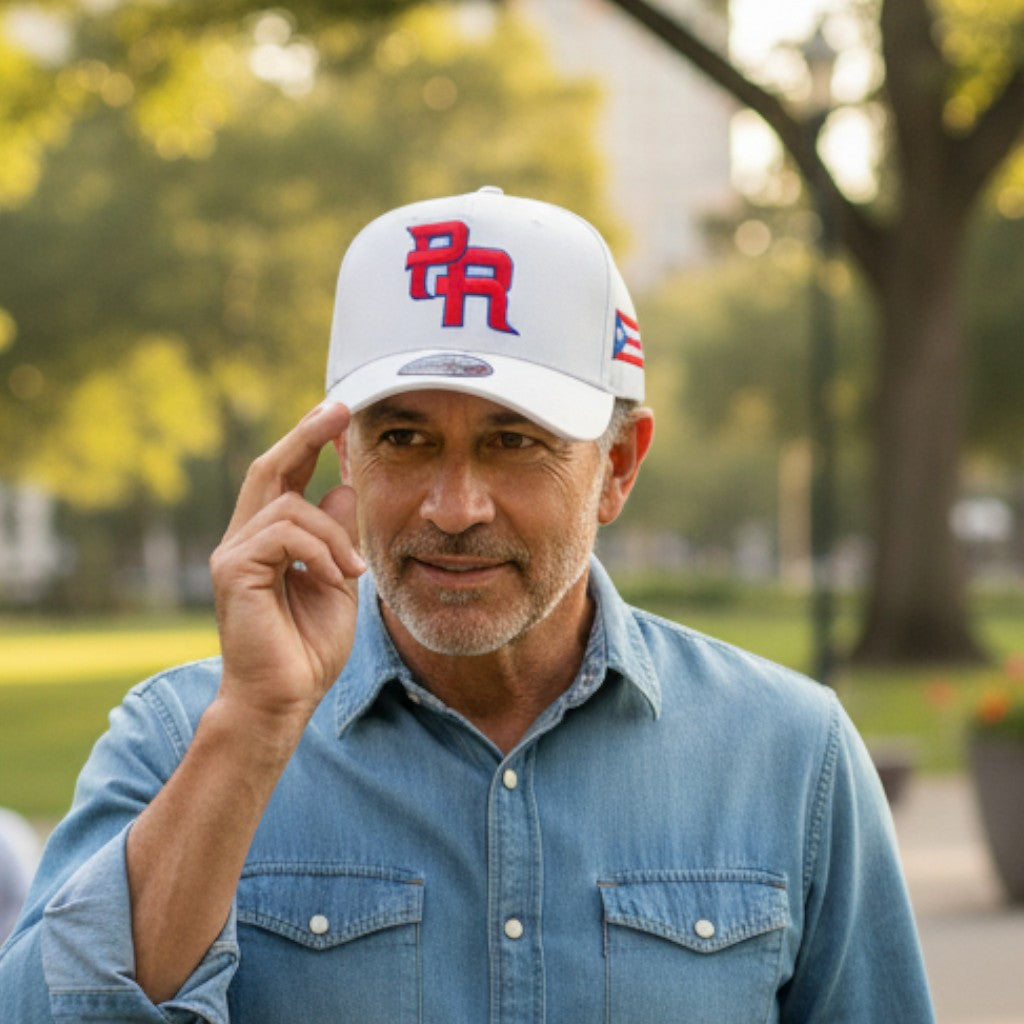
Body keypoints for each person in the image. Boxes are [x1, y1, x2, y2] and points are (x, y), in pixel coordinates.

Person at [0, 187, 935, 1022]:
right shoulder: (179, 741)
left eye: (514, 442)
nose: (454, 508)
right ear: (344, 457)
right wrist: (251, 730)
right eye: (404, 437)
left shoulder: (791, 754)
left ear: (617, 466)